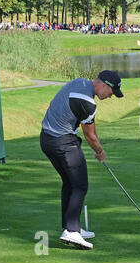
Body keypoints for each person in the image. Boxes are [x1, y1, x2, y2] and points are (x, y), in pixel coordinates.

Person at [40, 70, 124, 250]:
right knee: (80, 185)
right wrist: (100, 152)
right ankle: (71, 231)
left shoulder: (79, 82)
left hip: (47, 139)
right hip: (63, 143)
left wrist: (97, 147)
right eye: (111, 93)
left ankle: (72, 227)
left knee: (70, 183)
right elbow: (90, 135)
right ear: (104, 85)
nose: (110, 97)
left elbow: (90, 132)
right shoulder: (87, 103)